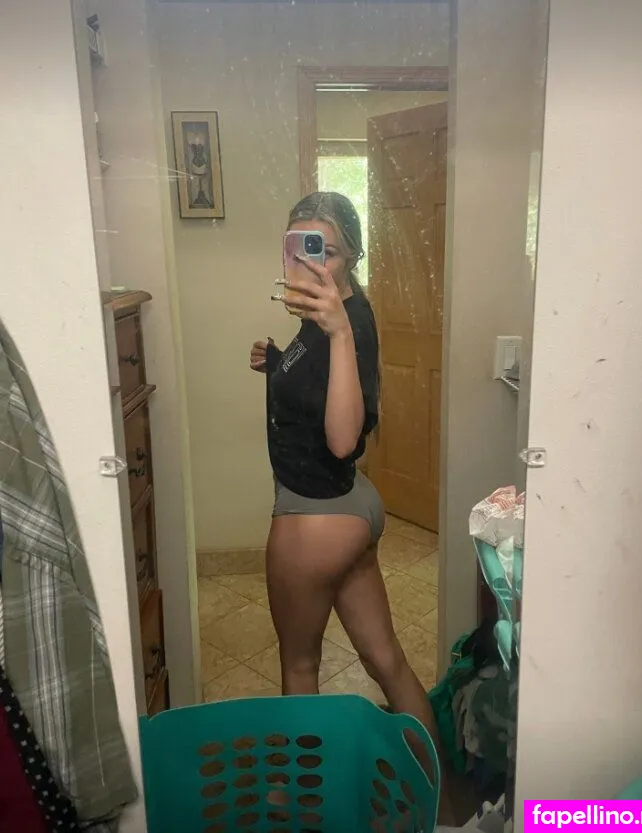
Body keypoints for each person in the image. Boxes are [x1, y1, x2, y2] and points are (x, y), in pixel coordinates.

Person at [250, 193, 452, 819]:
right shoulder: (324, 316)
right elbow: (322, 385)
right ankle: (438, 795)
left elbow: (343, 438)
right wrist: (276, 363)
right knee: (385, 659)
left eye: (326, 251)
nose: (309, 264)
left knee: (299, 666)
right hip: (348, 509)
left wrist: (336, 332)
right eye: (298, 247)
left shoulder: (344, 322)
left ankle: (295, 803)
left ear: (353, 257)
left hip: (315, 516)